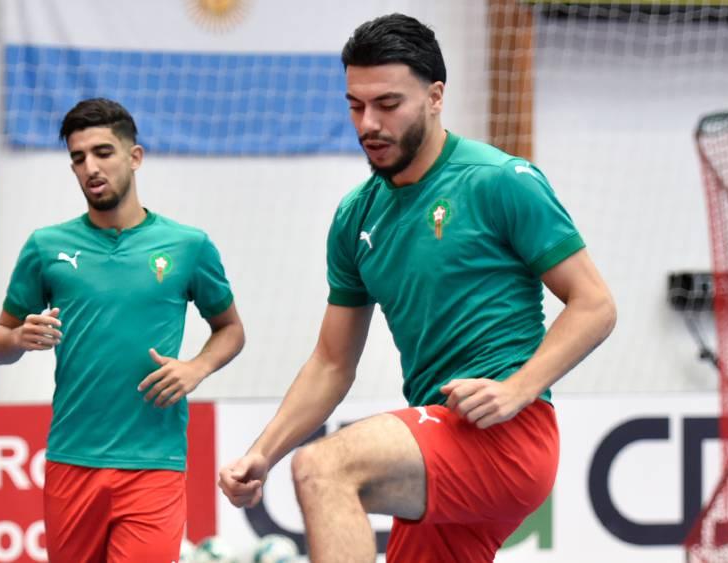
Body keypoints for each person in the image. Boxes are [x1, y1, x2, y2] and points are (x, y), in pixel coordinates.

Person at [218, 13, 615, 563]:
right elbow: (333, 363)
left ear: (434, 97)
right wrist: (263, 452)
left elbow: (595, 305)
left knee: (323, 467)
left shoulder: (499, 180)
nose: (368, 124)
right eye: (355, 105)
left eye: (388, 104)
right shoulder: (356, 217)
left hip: (509, 436)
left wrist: (517, 388)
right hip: (444, 438)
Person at [0, 98, 245, 562]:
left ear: (135, 156)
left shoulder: (188, 246)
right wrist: (17, 338)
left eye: (103, 152)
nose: (90, 167)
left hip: (153, 461)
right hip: (72, 459)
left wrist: (197, 367)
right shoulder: (46, 247)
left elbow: (230, 330)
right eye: (78, 158)